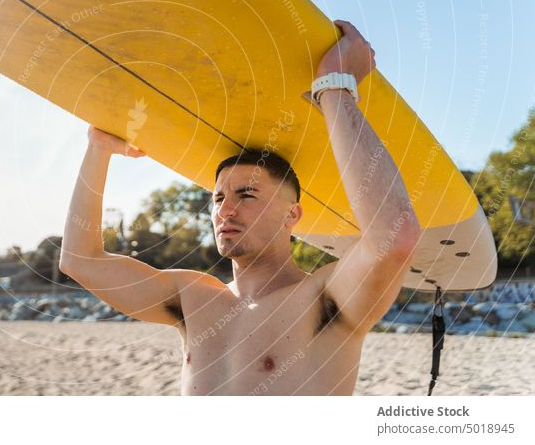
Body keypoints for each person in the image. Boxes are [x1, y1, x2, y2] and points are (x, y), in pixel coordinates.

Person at [59, 20, 421, 395]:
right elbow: (79, 261)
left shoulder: (324, 299)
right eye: (218, 197)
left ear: (291, 215)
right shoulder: (193, 298)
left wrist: (335, 87)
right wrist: (98, 148)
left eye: (247, 195)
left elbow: (393, 238)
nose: (225, 210)